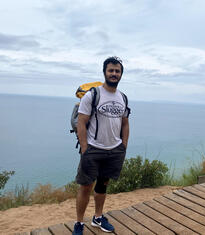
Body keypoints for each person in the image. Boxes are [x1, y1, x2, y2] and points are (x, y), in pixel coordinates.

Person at [73, 57, 130, 235]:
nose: (114, 74)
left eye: (117, 71)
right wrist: (85, 148)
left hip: (114, 150)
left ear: (121, 74)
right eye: (111, 70)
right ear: (104, 72)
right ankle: (79, 223)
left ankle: (98, 218)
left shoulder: (123, 98)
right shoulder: (92, 95)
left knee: (103, 185)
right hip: (93, 149)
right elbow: (81, 123)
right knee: (85, 186)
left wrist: (124, 146)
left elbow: (125, 123)